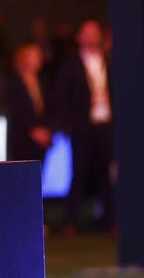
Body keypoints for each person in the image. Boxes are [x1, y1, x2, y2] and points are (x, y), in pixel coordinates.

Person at [53, 19, 114, 233]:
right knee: (78, 173)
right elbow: (62, 97)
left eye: (94, 31)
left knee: (105, 174)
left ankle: (110, 221)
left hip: (104, 125)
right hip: (82, 128)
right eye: (86, 32)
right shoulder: (71, 65)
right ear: (79, 37)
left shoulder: (108, 60)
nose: (91, 36)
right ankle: (70, 222)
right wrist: (69, 125)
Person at [6, 42, 51, 163]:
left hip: (41, 141)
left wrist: (47, 131)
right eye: (31, 57)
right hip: (22, 140)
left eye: (38, 56)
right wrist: (32, 131)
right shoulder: (14, 83)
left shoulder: (43, 82)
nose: (35, 61)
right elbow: (15, 111)